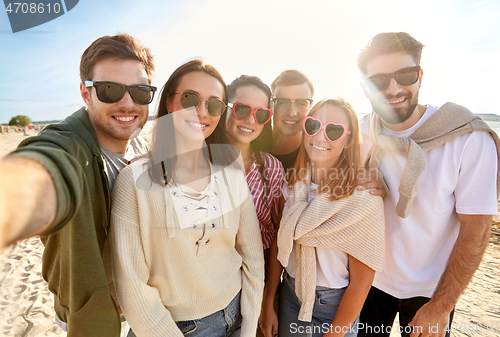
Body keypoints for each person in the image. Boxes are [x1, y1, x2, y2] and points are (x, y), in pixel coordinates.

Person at [0, 33, 155, 336]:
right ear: (86, 94)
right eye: (110, 90)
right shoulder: (69, 147)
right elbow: (46, 169)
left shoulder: (142, 147)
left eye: (140, 91)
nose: (127, 103)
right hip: (95, 316)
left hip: (145, 308)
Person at [357, 32, 500, 337]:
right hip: (365, 281)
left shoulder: (467, 137)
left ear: (420, 76)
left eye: (405, 75)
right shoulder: (359, 131)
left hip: (431, 289)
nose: (394, 88)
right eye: (380, 80)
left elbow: (477, 230)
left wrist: (441, 307)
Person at [110, 60, 265, 337]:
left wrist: (250, 326)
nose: (202, 111)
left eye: (215, 104)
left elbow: (252, 257)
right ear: (170, 101)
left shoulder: (231, 171)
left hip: (238, 315)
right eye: (190, 98)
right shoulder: (133, 182)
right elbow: (132, 288)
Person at [261, 98, 385, 337]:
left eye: (334, 130)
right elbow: (280, 241)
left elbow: (361, 283)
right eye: (313, 125)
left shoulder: (362, 198)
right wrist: (268, 303)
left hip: (334, 307)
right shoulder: (292, 185)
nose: (320, 137)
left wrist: (335, 334)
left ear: (349, 140)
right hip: (290, 295)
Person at [222, 75, 284, 252]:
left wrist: (271, 281)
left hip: (259, 273)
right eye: (242, 109)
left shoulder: (272, 168)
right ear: (225, 107)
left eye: (260, 114)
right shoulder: (200, 160)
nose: (250, 120)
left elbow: (277, 232)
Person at [270, 69, 314, 172]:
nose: (292, 112)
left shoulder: (316, 154)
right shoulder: (252, 147)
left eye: (302, 104)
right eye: (283, 102)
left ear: (311, 107)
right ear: (271, 104)